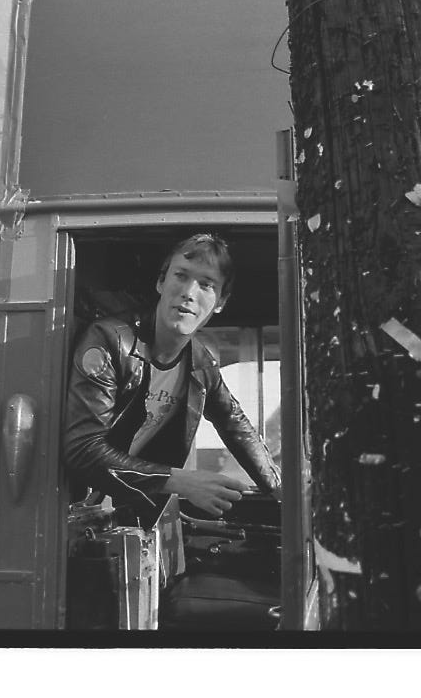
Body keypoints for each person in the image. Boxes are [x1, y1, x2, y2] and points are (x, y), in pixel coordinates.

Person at [61, 234, 273, 629]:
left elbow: (236, 424)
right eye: (181, 275)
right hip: (72, 519)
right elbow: (82, 450)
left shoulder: (201, 362)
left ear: (220, 302)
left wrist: (282, 492)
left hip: (128, 518)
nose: (189, 292)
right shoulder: (110, 341)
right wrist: (180, 481)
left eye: (206, 284)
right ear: (161, 282)